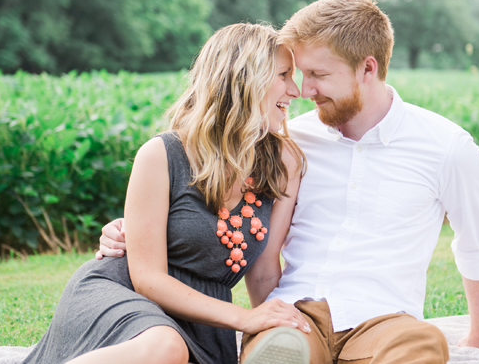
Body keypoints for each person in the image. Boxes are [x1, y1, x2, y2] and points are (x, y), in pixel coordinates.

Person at [100, 0, 479, 364]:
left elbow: (474, 241)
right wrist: (129, 229)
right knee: (279, 349)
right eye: (297, 74)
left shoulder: (446, 147)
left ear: (367, 68)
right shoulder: (285, 143)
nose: (304, 90)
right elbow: (228, 213)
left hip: (384, 317)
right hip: (296, 312)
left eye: (317, 74)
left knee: (424, 343)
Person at [23, 23, 313, 364]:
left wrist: (277, 330)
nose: (296, 91)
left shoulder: (283, 162)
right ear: (243, 80)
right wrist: (243, 318)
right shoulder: (162, 154)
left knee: (171, 349)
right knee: (166, 348)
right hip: (121, 295)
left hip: (203, 323)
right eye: (283, 75)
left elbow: (264, 272)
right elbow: (147, 278)